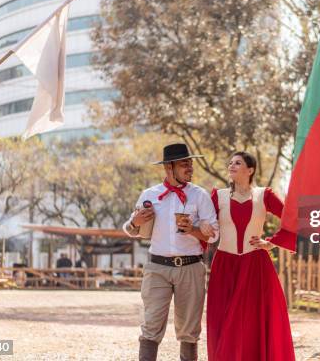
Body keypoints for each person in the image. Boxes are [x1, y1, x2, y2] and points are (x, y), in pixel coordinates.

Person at [123, 143, 218, 361]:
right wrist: (135, 221)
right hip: (157, 268)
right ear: (169, 167)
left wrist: (193, 230)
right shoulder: (150, 195)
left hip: (191, 267)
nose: (190, 168)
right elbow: (131, 231)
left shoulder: (199, 196)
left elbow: (213, 235)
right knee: (151, 325)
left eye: (190, 163)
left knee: (189, 330)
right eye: (184, 164)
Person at [204, 151, 296, 361]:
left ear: (250, 170)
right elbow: (205, 223)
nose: (231, 166)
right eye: (230, 163)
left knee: (252, 320)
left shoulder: (264, 195)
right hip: (225, 266)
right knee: (224, 319)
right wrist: (202, 226)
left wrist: (271, 243)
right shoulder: (218, 196)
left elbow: (291, 218)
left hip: (255, 265)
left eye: (237, 163)